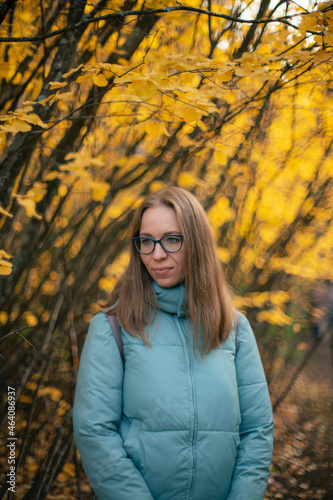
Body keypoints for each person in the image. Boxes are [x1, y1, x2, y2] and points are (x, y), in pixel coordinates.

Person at [73, 186, 274, 500]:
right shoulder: (113, 326)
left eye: (171, 239)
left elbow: (257, 430)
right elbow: (94, 431)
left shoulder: (234, 328)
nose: (157, 254)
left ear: (197, 243)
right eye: (146, 241)